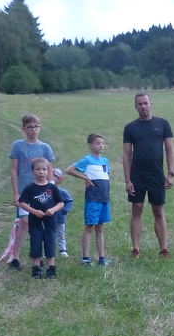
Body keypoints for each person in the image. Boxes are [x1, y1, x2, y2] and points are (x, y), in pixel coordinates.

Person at [123, 92, 174, 258]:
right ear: (135, 107)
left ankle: (163, 249)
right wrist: (128, 180)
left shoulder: (163, 124)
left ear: (151, 105)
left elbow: (169, 149)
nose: (143, 106)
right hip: (137, 175)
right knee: (137, 209)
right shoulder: (130, 128)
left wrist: (170, 174)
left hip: (157, 174)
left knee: (158, 210)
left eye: (146, 103)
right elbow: (126, 154)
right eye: (140, 104)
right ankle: (135, 249)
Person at [7, 115, 55, 269]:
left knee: (40, 224)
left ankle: (38, 256)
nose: (33, 130)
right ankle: (15, 257)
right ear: (24, 129)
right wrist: (16, 193)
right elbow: (14, 170)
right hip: (25, 191)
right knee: (23, 222)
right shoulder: (18, 146)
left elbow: (50, 171)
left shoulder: (45, 148)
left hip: (42, 193)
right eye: (30, 127)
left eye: (36, 127)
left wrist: (52, 191)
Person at [66, 133, 112, 266]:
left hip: (104, 199)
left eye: (102, 143)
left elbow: (108, 173)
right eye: (98, 143)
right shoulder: (87, 160)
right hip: (93, 199)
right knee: (89, 227)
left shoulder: (105, 161)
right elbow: (70, 170)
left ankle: (102, 258)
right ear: (90, 145)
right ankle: (85, 258)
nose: (101, 146)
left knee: (100, 227)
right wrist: (85, 178)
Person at [15, 157, 63, 278]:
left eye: (44, 169)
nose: (41, 172)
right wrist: (34, 211)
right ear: (32, 171)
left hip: (50, 222)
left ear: (48, 171)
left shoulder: (52, 188)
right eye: (38, 169)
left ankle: (51, 268)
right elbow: (22, 203)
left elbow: (61, 203)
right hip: (35, 222)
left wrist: (53, 209)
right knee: (35, 244)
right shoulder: (30, 188)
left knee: (50, 244)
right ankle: (36, 269)